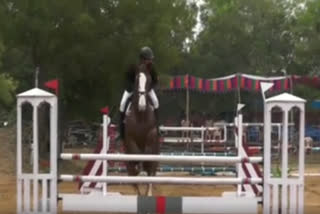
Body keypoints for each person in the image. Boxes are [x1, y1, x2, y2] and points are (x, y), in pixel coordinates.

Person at [118, 46, 159, 140]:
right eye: (148, 59)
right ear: (143, 59)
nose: (150, 61)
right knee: (122, 103)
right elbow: (127, 78)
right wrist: (133, 88)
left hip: (146, 89)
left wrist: (148, 88)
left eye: (150, 59)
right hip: (132, 89)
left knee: (156, 102)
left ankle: (157, 127)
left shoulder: (151, 69)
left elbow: (155, 80)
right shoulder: (133, 67)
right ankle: (121, 130)